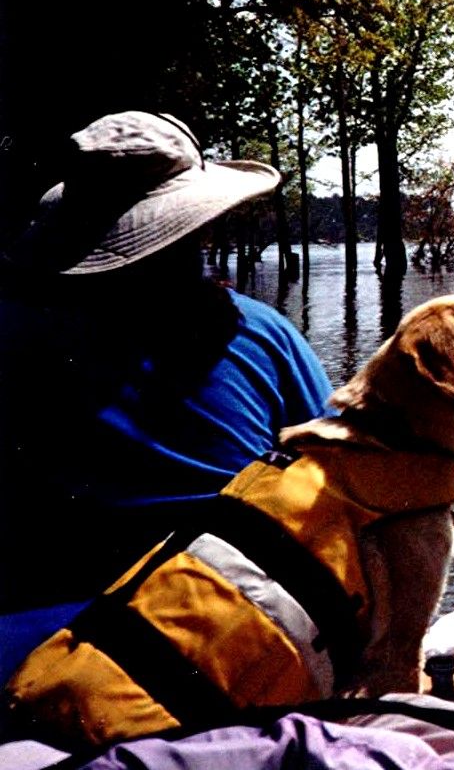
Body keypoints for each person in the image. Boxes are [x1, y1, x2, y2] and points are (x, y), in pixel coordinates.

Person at [0, 111, 335, 613]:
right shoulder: (261, 333)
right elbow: (332, 484)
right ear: (198, 224)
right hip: (220, 630)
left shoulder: (13, 332)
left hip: (32, 635)